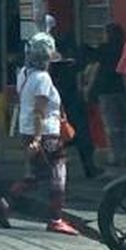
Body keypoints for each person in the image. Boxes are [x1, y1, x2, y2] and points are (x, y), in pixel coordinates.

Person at [0, 32, 79, 235]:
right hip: (46, 133)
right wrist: (38, 139)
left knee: (36, 175)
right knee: (58, 175)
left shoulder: (24, 73)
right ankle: (55, 218)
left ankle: (5, 203)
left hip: (27, 129)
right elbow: (40, 111)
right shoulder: (42, 78)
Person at [48, 18, 98, 179]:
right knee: (55, 134)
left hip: (66, 95)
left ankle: (88, 167)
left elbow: (81, 62)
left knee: (80, 133)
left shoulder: (65, 45)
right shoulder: (44, 48)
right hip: (56, 97)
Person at [86, 22, 126, 167]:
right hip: (123, 89)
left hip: (106, 90)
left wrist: (89, 89)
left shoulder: (103, 49)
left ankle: (116, 155)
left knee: (112, 125)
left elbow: (95, 69)